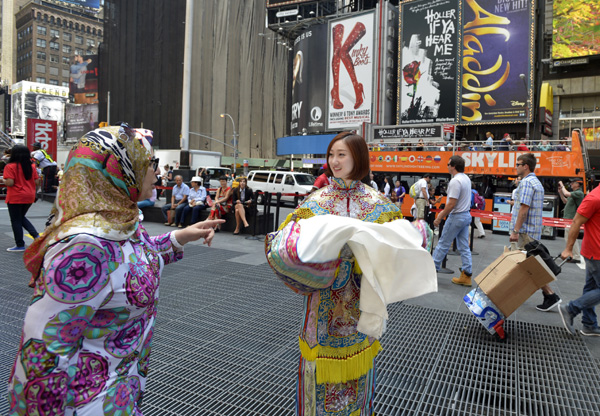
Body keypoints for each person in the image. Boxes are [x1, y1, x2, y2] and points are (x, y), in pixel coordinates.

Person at [8, 125, 224, 414]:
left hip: (121, 394)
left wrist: (182, 236)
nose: (157, 173)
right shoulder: (83, 247)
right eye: (150, 164)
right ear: (121, 169)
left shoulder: (118, 222)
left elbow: (130, 261)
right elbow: (42, 357)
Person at [265, 131, 436, 416]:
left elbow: (411, 240)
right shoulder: (315, 202)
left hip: (360, 307)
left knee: (358, 383)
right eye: (331, 154)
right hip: (322, 307)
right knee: (315, 381)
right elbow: (284, 241)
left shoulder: (378, 203)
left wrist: (418, 232)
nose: (334, 160)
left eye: (341, 154)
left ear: (358, 157)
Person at [510, 153, 561, 311]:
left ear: (526, 166)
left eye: (518, 164)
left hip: (525, 232)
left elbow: (524, 208)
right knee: (525, 265)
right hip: (531, 231)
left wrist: (516, 230)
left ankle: (550, 295)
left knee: (527, 266)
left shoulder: (526, 183)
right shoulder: (536, 182)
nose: (516, 167)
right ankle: (542, 294)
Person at [558, 185, 600, 336]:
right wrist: (568, 249)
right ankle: (571, 309)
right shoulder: (594, 198)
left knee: (591, 288)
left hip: (594, 252)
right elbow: (576, 222)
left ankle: (589, 324)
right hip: (597, 253)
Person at [432, 155, 474, 285]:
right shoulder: (466, 178)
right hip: (466, 215)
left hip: (456, 216)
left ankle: (430, 272)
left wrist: (439, 217)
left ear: (453, 166)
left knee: (443, 244)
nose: (447, 166)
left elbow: (451, 204)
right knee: (464, 247)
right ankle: (466, 275)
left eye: (448, 164)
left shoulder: (455, 181)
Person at [1, 145, 40, 252]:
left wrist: (3, 180)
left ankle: (20, 244)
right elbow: (37, 182)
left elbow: (10, 182)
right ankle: (36, 236)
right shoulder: (31, 166)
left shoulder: (10, 166)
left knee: (16, 220)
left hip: (15, 196)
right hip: (29, 196)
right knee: (21, 217)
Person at [558, 178, 585, 263]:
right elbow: (565, 201)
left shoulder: (579, 193)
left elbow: (566, 193)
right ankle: (570, 254)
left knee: (571, 237)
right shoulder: (574, 194)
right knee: (569, 237)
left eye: (573, 182)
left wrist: (562, 186)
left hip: (572, 219)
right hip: (569, 219)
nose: (571, 184)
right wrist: (560, 193)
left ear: (578, 184)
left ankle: (576, 256)